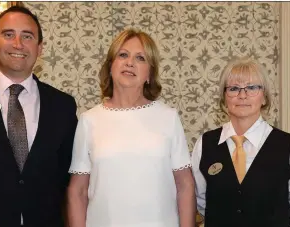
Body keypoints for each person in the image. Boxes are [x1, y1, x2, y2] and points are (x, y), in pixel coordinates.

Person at [0, 6, 78, 227]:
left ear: (39, 48)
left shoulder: (62, 105)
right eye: (8, 34)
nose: (18, 44)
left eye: (27, 36)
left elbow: (67, 178)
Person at [67, 28, 196, 227]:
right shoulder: (88, 120)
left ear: (149, 74)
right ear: (111, 66)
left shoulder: (168, 118)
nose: (130, 62)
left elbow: (185, 185)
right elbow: (78, 191)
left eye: (140, 58)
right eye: (123, 55)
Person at [191, 57, 290, 227]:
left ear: (264, 97)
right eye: (234, 89)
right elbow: (201, 202)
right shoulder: (205, 144)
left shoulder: (289, 146)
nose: (242, 95)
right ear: (224, 98)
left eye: (252, 88)